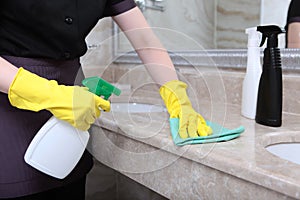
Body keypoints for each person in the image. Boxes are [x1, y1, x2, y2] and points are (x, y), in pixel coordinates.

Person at [0, 0, 212, 199]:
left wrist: (177, 96)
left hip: (74, 106)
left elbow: (146, 41)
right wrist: (50, 95)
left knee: (69, 182)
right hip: (9, 101)